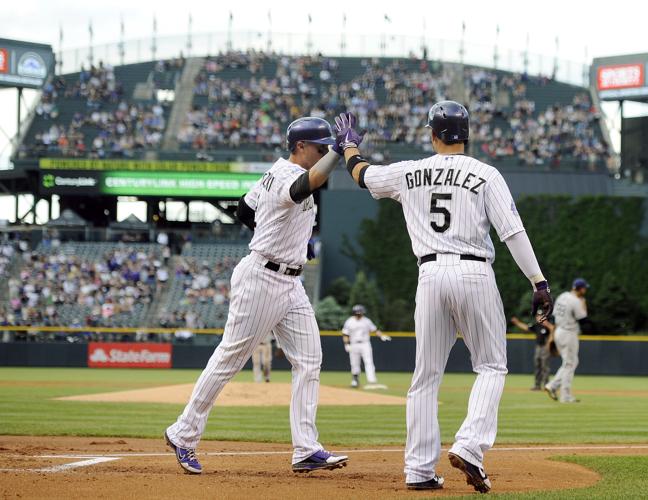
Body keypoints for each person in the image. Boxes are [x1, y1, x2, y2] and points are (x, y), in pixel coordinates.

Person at [334, 104, 552, 493]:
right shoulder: (486, 174)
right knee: (490, 366)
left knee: (425, 377)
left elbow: (363, 176)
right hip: (474, 272)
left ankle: (418, 470)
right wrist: (538, 282)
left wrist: (350, 146)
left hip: (429, 274)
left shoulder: (409, 171)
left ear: (433, 135)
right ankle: (469, 444)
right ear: (466, 135)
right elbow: (513, 233)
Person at [165, 116, 349, 474]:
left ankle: (306, 449)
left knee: (309, 360)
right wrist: (340, 151)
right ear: (299, 147)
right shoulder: (284, 175)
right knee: (230, 358)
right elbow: (304, 186)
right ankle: (182, 433)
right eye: (320, 147)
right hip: (263, 277)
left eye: (328, 147)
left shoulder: (273, 173)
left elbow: (244, 209)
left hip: (290, 281)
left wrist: (293, 239)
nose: (325, 151)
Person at [544, 278, 589, 403]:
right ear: (580, 289)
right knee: (570, 363)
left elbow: (553, 316)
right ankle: (565, 395)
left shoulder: (562, 296)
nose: (585, 290)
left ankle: (552, 385)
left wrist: (552, 335)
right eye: (584, 288)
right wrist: (583, 303)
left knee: (570, 363)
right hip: (569, 333)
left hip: (559, 331)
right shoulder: (575, 300)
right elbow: (583, 319)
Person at [341, 304, 391, 388]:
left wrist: (382, 335)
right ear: (354, 313)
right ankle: (355, 380)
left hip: (365, 343)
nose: (359, 314)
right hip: (354, 344)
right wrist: (346, 344)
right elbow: (345, 334)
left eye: (360, 312)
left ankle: (372, 380)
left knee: (369, 361)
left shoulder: (366, 321)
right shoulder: (349, 321)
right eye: (358, 312)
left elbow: (374, 330)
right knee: (354, 363)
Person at [511, 312, 555, 390]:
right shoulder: (536, 326)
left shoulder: (548, 325)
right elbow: (526, 327)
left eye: (540, 316)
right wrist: (517, 323)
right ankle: (537, 385)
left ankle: (546, 385)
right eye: (537, 316)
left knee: (545, 367)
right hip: (538, 347)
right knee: (537, 366)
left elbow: (553, 330)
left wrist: (547, 324)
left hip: (546, 347)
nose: (538, 318)